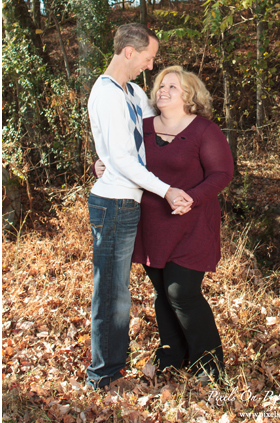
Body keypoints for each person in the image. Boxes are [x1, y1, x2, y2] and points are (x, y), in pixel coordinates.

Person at [96, 66, 234, 384]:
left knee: (181, 291)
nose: (162, 90)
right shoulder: (141, 127)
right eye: (160, 86)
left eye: (172, 86)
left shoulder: (203, 130)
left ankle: (209, 366)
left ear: (189, 96)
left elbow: (221, 173)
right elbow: (121, 157)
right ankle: (173, 355)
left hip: (192, 222)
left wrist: (192, 197)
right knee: (162, 292)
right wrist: (102, 164)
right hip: (151, 224)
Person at [86, 24, 193, 390]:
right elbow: (125, 160)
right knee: (112, 293)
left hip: (129, 201)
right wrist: (166, 190)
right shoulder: (106, 94)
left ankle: (110, 369)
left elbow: (160, 124)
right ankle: (104, 376)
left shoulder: (131, 92)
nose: (150, 67)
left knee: (119, 291)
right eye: (148, 58)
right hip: (113, 203)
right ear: (129, 53)